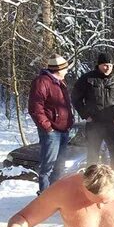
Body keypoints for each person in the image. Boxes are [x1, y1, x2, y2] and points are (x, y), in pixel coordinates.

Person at [28, 54, 74, 193]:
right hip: (51, 132)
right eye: (65, 69)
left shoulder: (60, 82)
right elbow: (35, 108)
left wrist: (70, 121)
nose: (67, 71)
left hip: (64, 130)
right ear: (59, 70)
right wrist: (47, 127)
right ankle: (44, 197)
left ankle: (55, 196)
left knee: (59, 166)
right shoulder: (42, 82)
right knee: (47, 166)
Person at [71, 53, 114, 170]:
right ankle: (91, 183)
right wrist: (85, 114)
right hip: (94, 124)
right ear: (98, 65)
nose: (108, 67)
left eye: (110, 65)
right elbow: (75, 98)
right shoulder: (87, 79)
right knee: (92, 156)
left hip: (112, 125)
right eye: (105, 65)